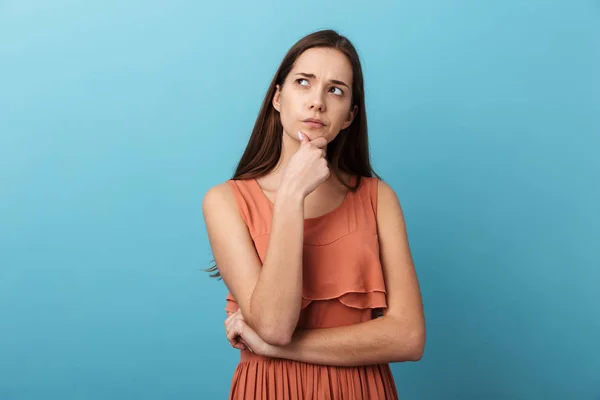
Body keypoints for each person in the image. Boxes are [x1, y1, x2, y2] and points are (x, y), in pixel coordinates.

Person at [202, 29, 426, 400]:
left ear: (350, 116)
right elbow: (273, 325)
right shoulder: (225, 201)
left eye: (335, 90)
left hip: (362, 391)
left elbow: (409, 337)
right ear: (277, 97)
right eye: (303, 83)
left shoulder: (378, 198)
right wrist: (292, 194)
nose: (317, 102)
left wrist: (277, 348)